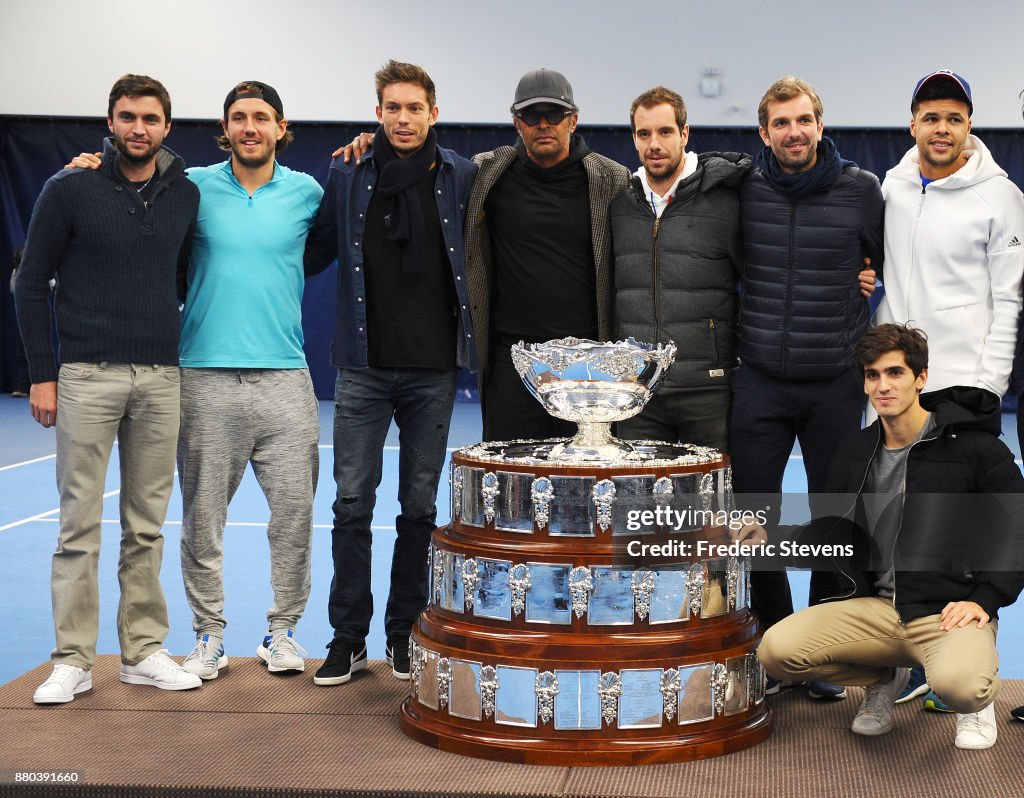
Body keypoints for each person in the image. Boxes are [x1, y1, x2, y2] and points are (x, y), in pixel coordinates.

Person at [67, 81, 325, 680]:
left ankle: (282, 631)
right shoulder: (192, 187)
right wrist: (90, 165)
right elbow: (127, 188)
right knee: (202, 517)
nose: (250, 127)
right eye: (239, 118)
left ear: (281, 128)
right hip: (203, 377)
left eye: (262, 118)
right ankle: (208, 635)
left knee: (293, 515)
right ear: (224, 127)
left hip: (287, 379)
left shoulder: (308, 193)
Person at [15, 74, 202, 703]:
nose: (138, 128)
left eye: (150, 118)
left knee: (145, 527)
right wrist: (43, 373)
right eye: (127, 117)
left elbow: (179, 275)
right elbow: (29, 280)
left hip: (159, 378)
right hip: (85, 378)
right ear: (111, 121)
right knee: (78, 528)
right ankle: (71, 659)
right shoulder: (69, 187)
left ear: (166, 126)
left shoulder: (185, 195)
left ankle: (143, 651)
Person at [754, 323, 1024, 750]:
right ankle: (884, 678)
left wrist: (985, 600)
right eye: (872, 374)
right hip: (877, 610)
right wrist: (767, 538)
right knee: (776, 650)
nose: (883, 385)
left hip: (946, 612)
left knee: (962, 686)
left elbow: (1015, 529)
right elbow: (834, 533)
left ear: (921, 378)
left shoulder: (974, 447)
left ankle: (976, 701)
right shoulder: (854, 451)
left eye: (895, 373)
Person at [303, 60, 477, 687]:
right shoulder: (347, 170)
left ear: (434, 111)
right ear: (377, 112)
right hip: (363, 368)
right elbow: (313, 246)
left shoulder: (463, 174)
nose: (403, 118)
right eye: (392, 108)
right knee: (352, 505)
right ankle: (347, 639)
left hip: (432, 371)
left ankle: (406, 635)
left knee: (419, 508)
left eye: (414, 108)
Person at [731, 75, 884, 701]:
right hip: (760, 381)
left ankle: (820, 653)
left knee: (833, 519)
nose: (794, 132)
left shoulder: (862, 192)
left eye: (804, 120)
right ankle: (776, 645)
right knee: (753, 517)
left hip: (835, 385)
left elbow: (891, 270)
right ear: (764, 132)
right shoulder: (744, 187)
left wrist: (867, 287)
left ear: (820, 124)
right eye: (781, 123)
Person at [876, 70, 1024, 709]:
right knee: (904, 527)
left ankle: (971, 675)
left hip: (967, 389)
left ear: (970, 126)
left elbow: (1009, 298)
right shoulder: (894, 186)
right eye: (931, 117)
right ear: (912, 124)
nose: (942, 129)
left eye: (954, 118)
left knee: (970, 538)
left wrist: (989, 382)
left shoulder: (1000, 195)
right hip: (904, 388)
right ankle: (911, 660)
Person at [465, 68, 630, 441]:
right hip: (514, 363)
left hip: (589, 365)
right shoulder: (486, 174)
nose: (543, 124)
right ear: (516, 122)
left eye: (553, 114)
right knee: (510, 480)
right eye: (531, 115)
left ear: (573, 120)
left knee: (585, 486)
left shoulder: (612, 179)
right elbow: (427, 168)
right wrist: (370, 143)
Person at [610, 86, 749, 451]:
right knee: (640, 508)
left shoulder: (726, 200)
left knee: (707, 508)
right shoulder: (620, 204)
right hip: (637, 391)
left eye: (665, 132)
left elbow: (761, 276)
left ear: (685, 134)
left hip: (708, 391)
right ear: (634, 139)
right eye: (644, 134)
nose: (654, 144)